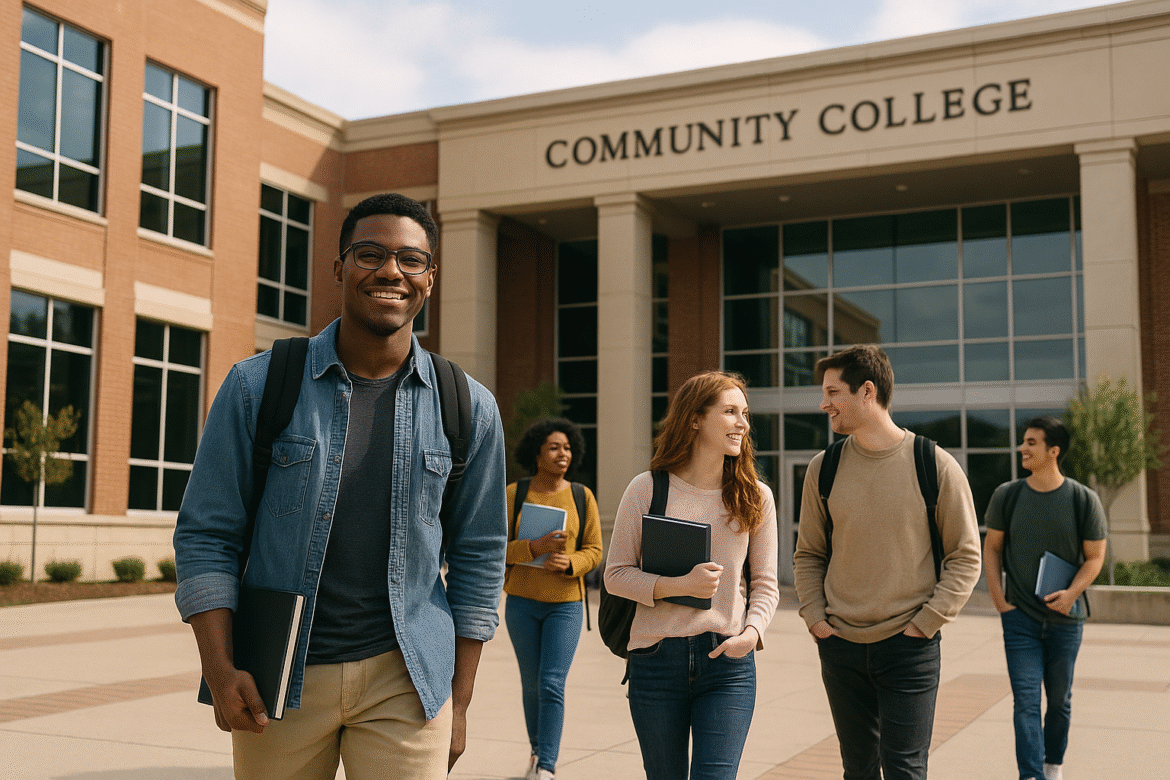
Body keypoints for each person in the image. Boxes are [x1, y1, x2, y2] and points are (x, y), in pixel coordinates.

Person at [173, 193, 508, 780]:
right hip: (280, 681)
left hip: (409, 679)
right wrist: (221, 670)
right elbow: (207, 534)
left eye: (411, 260)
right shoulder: (259, 386)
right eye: (370, 254)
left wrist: (459, 700)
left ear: (430, 278)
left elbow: (480, 556)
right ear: (338, 268)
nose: (390, 272)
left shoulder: (468, 407)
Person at [793, 345, 981, 780]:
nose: (824, 404)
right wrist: (817, 619)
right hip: (839, 644)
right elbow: (809, 554)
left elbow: (965, 554)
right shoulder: (825, 468)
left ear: (867, 392)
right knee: (857, 770)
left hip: (909, 647)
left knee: (905, 770)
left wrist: (927, 622)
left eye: (833, 392)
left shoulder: (933, 464)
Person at [604, 370, 780, 780]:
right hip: (656, 661)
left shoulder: (755, 495)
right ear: (696, 419)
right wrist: (678, 586)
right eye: (731, 412)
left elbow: (765, 585)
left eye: (745, 414)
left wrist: (750, 635)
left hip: (728, 662)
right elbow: (615, 575)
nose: (743, 424)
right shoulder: (647, 488)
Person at [983, 416, 1107, 780]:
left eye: (1032, 442)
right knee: (1025, 702)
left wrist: (1071, 594)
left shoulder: (1083, 499)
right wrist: (999, 600)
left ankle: (1053, 766)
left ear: (1054, 451)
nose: (1023, 448)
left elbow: (1095, 558)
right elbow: (991, 549)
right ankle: (1031, 775)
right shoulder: (1008, 495)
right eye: (1024, 441)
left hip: (1066, 621)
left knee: (1059, 702)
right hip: (1019, 618)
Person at [505, 418, 603, 780]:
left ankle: (547, 765)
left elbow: (594, 549)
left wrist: (571, 562)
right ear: (536, 454)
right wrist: (535, 547)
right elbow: (497, 548)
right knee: (531, 684)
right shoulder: (514, 494)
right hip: (522, 603)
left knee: (551, 683)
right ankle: (536, 751)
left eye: (567, 447)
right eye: (554, 447)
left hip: (566, 605)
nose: (563, 454)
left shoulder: (582, 495)